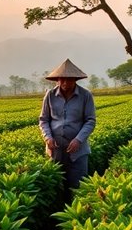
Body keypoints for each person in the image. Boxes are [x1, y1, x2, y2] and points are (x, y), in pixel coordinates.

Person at [39, 59, 96, 192]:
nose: (65, 83)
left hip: (78, 152)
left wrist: (78, 140)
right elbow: (44, 119)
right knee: (57, 188)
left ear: (75, 79)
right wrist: (47, 137)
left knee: (78, 187)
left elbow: (90, 121)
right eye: (62, 79)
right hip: (55, 151)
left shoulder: (85, 95)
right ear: (57, 80)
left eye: (69, 79)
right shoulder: (50, 95)